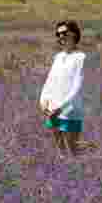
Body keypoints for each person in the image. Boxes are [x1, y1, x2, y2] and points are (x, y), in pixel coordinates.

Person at [40, 20, 88, 158]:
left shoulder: (81, 58)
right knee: (60, 151)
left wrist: (61, 107)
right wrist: (43, 100)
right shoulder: (58, 57)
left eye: (64, 33)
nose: (60, 36)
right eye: (58, 34)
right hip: (53, 109)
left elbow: (77, 87)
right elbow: (50, 81)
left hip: (70, 110)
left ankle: (92, 151)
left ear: (74, 34)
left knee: (73, 150)